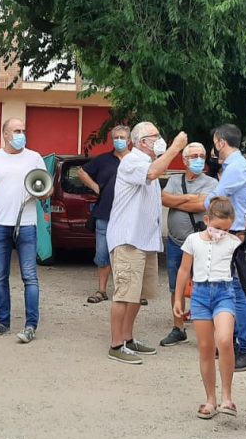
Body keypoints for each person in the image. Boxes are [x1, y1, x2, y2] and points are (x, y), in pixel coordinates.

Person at [106, 122, 187, 365]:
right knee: (124, 294)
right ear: (143, 141)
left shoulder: (149, 162)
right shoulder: (132, 161)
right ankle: (115, 344)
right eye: (156, 135)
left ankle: (127, 338)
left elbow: (154, 175)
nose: (160, 139)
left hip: (145, 240)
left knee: (138, 295)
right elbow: (151, 174)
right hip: (128, 239)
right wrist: (175, 148)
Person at [0, 118, 49, 343]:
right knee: (0, 277)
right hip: (0, 225)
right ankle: (2, 323)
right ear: (5, 134)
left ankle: (30, 326)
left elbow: (46, 189)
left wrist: (42, 192)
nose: (21, 134)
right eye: (17, 130)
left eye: (23, 130)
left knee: (30, 276)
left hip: (26, 225)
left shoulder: (34, 158)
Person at [172, 197, 241, 419]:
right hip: (200, 294)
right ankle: (210, 399)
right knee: (205, 347)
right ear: (206, 220)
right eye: (218, 227)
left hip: (224, 293)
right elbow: (184, 270)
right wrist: (178, 298)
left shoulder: (233, 242)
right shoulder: (193, 240)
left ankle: (227, 396)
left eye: (226, 229)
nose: (221, 233)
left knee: (225, 340)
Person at [205, 123, 246, 372]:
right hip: (234, 236)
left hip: (236, 238)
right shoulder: (235, 166)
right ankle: (235, 345)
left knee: (236, 295)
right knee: (232, 293)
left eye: (214, 142)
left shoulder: (236, 167)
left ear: (221, 142)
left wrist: (201, 201)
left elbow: (216, 198)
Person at [159, 142, 218, 346]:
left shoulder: (211, 182)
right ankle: (178, 328)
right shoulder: (175, 179)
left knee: (205, 287)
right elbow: (164, 199)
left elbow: (202, 204)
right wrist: (190, 198)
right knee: (175, 286)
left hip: (202, 244)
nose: (199, 160)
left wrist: (179, 199)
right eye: (194, 156)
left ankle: (207, 334)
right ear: (184, 160)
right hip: (176, 242)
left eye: (201, 156)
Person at [78, 125, 132, 304]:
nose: (119, 140)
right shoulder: (103, 160)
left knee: (128, 254)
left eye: (122, 137)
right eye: (116, 137)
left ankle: (128, 292)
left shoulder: (136, 160)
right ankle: (101, 290)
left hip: (129, 216)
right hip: (104, 213)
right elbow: (82, 172)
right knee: (102, 254)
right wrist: (95, 187)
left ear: (129, 140)